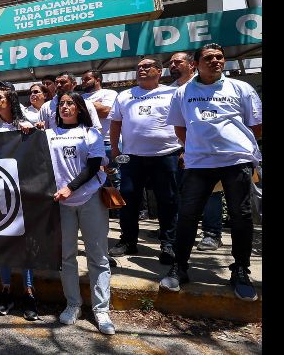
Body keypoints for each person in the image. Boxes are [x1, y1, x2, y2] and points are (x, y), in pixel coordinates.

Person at [160, 44, 262, 301]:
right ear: (196, 63)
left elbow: (256, 126)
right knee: (187, 215)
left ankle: (240, 270)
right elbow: (180, 129)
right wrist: (197, 148)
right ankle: (180, 267)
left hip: (236, 161)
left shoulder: (241, 88)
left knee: (241, 216)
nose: (216, 61)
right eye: (209, 58)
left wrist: (232, 146)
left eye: (219, 57)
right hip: (199, 163)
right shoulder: (183, 92)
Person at [46, 92, 115, 335]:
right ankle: (73, 304)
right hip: (61, 203)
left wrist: (70, 188)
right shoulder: (49, 134)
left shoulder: (91, 132)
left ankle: (101, 309)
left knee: (98, 256)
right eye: (61, 103)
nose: (65, 107)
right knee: (67, 256)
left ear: (80, 108)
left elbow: (94, 165)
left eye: (70, 104)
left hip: (90, 198)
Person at [108, 58, 181, 266]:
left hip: (167, 154)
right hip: (132, 157)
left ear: (159, 71)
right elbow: (116, 123)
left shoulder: (173, 93)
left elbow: (184, 122)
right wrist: (114, 149)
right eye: (139, 66)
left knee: (167, 200)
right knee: (128, 199)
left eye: (147, 66)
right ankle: (128, 241)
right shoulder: (125, 95)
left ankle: (168, 244)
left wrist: (186, 149)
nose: (141, 69)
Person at [0, 81, 38, 320]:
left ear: (11, 101)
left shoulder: (25, 124)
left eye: (0, 99)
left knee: (24, 244)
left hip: (23, 191)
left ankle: (29, 293)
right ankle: (6, 291)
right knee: (3, 243)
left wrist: (34, 132)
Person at [168, 51, 222, 252]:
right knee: (180, 194)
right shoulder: (169, 90)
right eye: (171, 63)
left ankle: (211, 234)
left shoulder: (207, 86)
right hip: (173, 152)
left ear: (192, 65)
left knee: (211, 193)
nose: (173, 65)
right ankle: (177, 231)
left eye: (178, 62)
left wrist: (187, 147)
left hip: (205, 152)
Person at [81, 70, 120, 189]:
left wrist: (85, 107)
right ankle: (106, 207)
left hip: (108, 142)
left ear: (98, 80)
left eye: (87, 79)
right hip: (88, 144)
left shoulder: (109, 93)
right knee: (97, 179)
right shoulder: (80, 97)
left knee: (115, 177)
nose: (83, 82)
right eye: (82, 80)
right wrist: (95, 105)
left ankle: (121, 207)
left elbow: (105, 112)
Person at [38, 72, 102, 132]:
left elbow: (96, 128)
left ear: (74, 84)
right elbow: (41, 130)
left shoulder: (86, 104)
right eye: (56, 82)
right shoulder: (46, 106)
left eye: (63, 82)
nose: (59, 85)